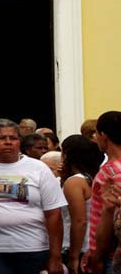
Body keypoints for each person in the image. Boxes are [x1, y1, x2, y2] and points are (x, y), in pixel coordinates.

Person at [0, 118, 67, 274]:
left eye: (13, 138)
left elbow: (54, 214)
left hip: (33, 249)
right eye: (2, 138)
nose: (8, 142)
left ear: (20, 141)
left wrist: (55, 258)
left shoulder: (38, 168)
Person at [83, 111, 121, 274]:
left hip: (112, 256)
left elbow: (108, 219)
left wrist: (96, 255)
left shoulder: (110, 173)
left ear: (103, 135)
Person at [60, 135, 104, 274]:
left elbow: (79, 221)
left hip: (80, 247)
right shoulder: (98, 177)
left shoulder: (75, 182)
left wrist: (73, 256)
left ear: (67, 155)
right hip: (98, 244)